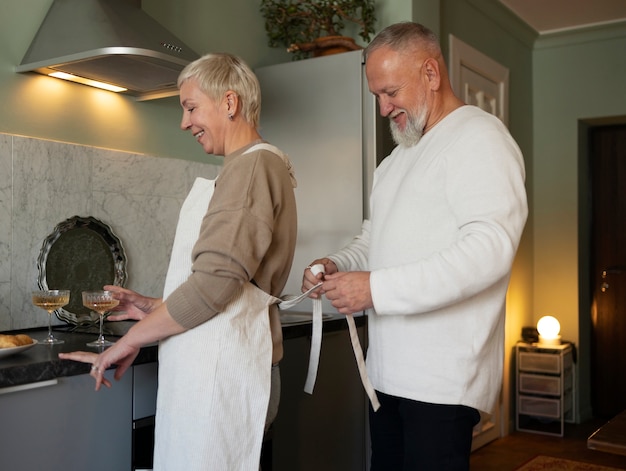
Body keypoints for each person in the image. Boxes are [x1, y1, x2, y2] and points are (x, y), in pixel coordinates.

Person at [302, 22, 528, 470]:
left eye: (390, 92)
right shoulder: (396, 160)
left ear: (430, 73)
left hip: (441, 384)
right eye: (376, 97)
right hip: (384, 377)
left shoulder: (481, 139)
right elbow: (374, 238)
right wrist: (336, 263)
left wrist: (375, 290)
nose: (384, 108)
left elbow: (489, 248)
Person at [59, 53, 298, 470]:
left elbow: (216, 284)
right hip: (213, 369)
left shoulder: (253, 166)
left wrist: (131, 339)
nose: (185, 123)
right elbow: (226, 284)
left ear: (229, 103)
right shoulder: (247, 167)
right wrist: (154, 306)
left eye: (190, 107)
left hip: (226, 374)